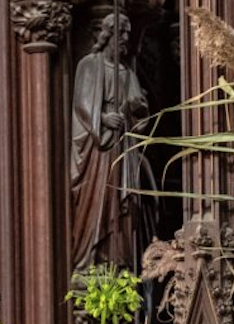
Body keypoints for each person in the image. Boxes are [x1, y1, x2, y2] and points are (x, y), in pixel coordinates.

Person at [71, 12, 153, 271]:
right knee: (97, 200)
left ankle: (119, 262)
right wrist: (104, 119)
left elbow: (140, 109)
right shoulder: (89, 64)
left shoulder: (127, 73)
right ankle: (91, 258)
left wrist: (133, 109)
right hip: (99, 148)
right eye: (122, 32)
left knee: (123, 202)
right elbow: (82, 104)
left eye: (128, 33)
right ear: (108, 34)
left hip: (122, 147)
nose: (126, 38)